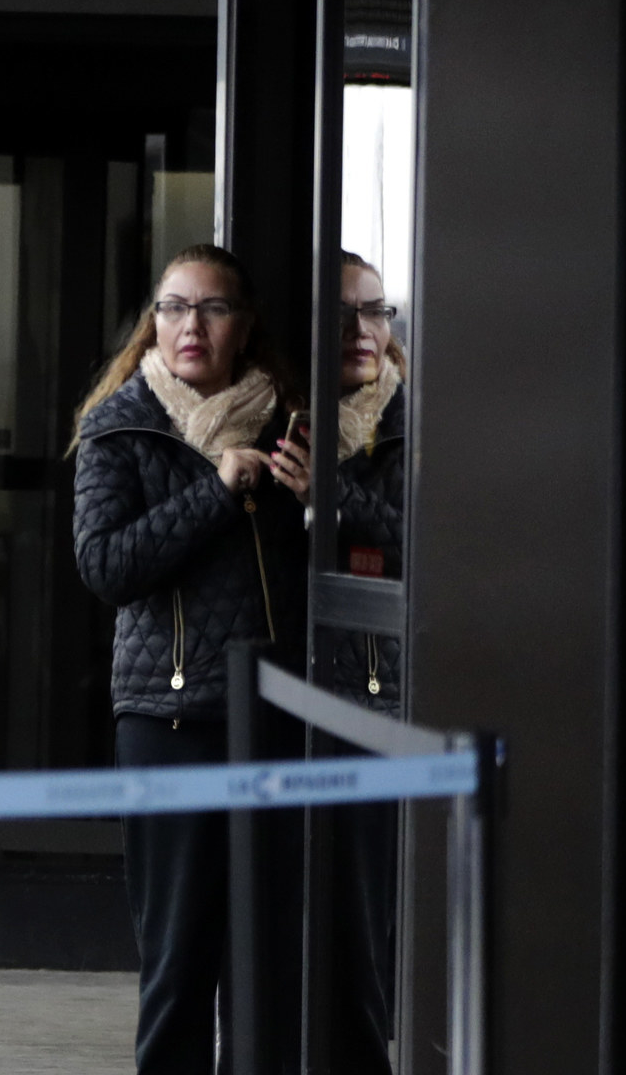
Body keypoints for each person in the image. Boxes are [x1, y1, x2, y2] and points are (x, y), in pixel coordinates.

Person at [72, 244, 309, 1075]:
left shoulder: (293, 425)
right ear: (153, 325)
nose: (190, 326)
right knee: (178, 960)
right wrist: (216, 491)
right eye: (174, 308)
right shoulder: (122, 425)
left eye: (211, 309)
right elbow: (106, 566)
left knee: (270, 957)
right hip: (167, 720)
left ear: (243, 328)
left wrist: (318, 505)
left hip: (276, 720)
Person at [269, 253, 405, 1075]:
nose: (361, 331)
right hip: (264, 696)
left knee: (358, 936)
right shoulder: (268, 417)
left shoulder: (408, 427)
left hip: (366, 700)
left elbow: (418, 544)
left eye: (376, 311)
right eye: (341, 314)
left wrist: (329, 494)